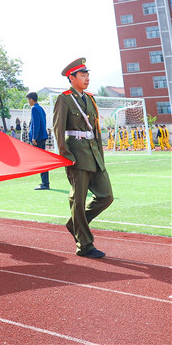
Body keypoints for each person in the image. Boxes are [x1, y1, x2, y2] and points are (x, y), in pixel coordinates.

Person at [53, 58, 113, 258]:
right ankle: (85, 245)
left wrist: (100, 154)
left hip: (93, 153)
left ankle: (74, 223)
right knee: (78, 200)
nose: (87, 78)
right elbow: (58, 128)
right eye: (83, 75)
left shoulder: (90, 98)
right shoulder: (64, 99)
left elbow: (95, 129)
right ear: (72, 78)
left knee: (106, 196)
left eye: (88, 74)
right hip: (76, 154)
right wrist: (66, 154)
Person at [27, 92, 50, 190]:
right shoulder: (40, 108)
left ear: (31, 99)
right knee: (42, 160)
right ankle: (45, 182)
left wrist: (34, 137)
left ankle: (45, 183)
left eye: (28, 99)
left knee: (41, 161)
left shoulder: (34, 108)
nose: (28, 102)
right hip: (42, 137)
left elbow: (35, 124)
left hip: (38, 138)